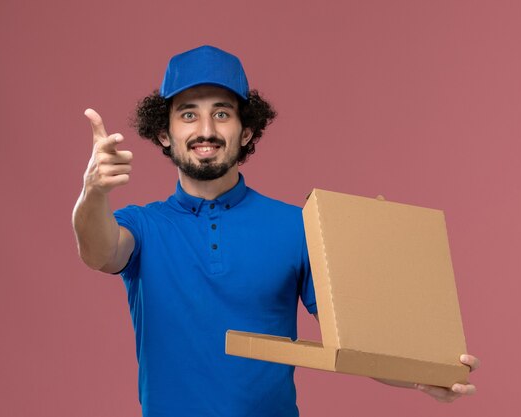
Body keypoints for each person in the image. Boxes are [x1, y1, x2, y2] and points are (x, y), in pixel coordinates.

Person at [72, 45, 479, 417]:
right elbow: (99, 251)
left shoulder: (297, 227)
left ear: (245, 131)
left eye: (222, 113)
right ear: (165, 132)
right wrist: (92, 193)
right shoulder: (141, 226)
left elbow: (359, 343)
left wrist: (429, 375)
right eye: (188, 113)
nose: (206, 129)